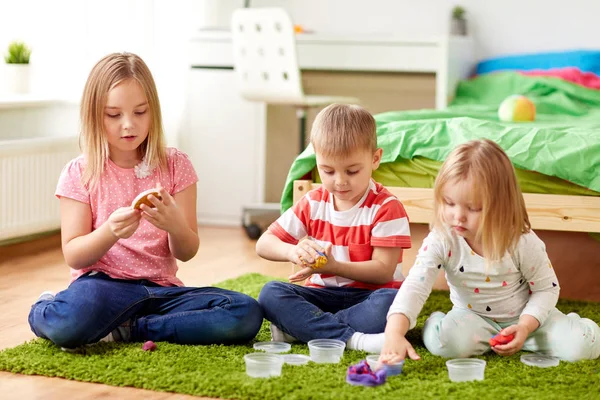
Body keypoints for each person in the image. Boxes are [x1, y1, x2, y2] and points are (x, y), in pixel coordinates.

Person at [28, 52, 263, 349]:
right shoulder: (80, 172)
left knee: (244, 312)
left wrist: (175, 225)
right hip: (103, 287)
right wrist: (110, 231)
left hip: (161, 292)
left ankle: (132, 328)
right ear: (94, 115)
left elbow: (187, 251)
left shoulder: (177, 165)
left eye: (140, 112)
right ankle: (45, 308)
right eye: (114, 115)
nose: (129, 125)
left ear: (154, 111)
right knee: (69, 323)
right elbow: (74, 255)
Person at [380, 139, 600, 364]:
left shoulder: (520, 240)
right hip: (474, 319)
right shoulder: (443, 238)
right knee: (442, 344)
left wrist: (524, 326)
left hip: (529, 321)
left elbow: (546, 289)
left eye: (473, 208)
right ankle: (440, 321)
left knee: (582, 347)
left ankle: (567, 326)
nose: (458, 216)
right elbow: (415, 285)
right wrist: (394, 333)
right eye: (449, 203)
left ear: (501, 205)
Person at [256, 104, 412, 353]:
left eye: (352, 171)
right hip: (322, 297)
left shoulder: (386, 207)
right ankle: (355, 340)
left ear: (375, 159)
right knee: (271, 293)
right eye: (327, 171)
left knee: (394, 304)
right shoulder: (314, 201)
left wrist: (335, 267)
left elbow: (383, 272)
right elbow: (264, 244)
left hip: (371, 296)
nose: (339, 181)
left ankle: (302, 329)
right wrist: (292, 252)